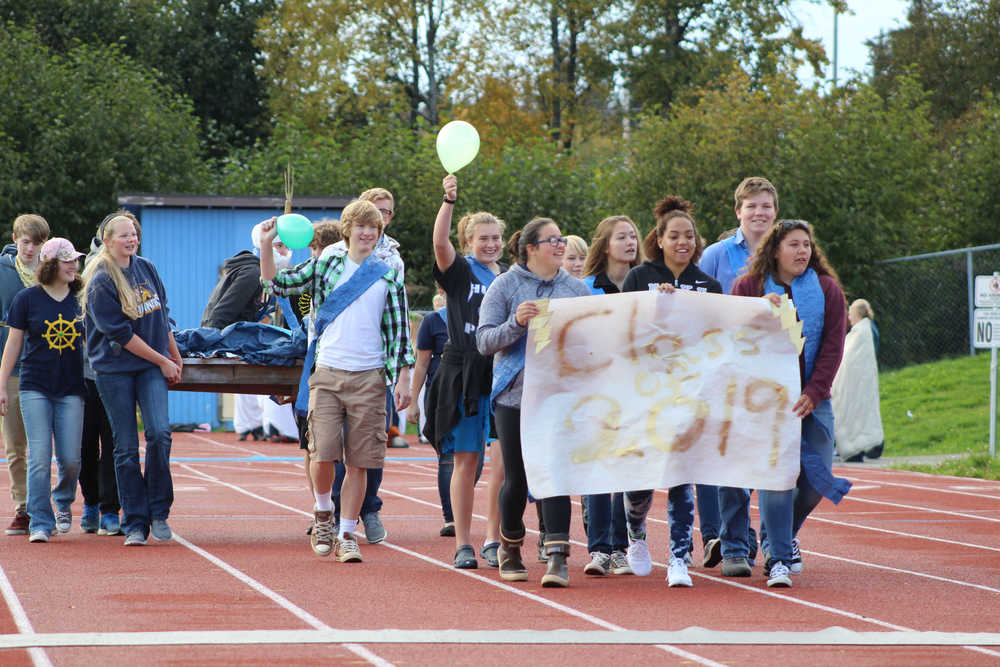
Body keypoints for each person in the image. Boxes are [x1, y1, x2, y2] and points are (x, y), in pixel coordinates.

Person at [259, 200, 413, 562]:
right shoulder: (328, 263)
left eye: (373, 227)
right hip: (327, 372)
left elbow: (400, 332)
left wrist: (403, 377)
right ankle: (324, 511)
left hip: (371, 377)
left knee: (360, 461)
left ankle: (347, 533)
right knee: (322, 451)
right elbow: (279, 284)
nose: (367, 233)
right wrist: (266, 246)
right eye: (361, 226)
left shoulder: (388, 275)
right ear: (348, 231)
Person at [732, 219, 850, 587]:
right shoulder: (749, 286)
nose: (802, 251)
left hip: (813, 400)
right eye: (794, 245)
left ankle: (776, 535)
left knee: (817, 480)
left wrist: (814, 392)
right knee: (777, 477)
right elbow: (732, 335)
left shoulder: (828, 290)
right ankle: (779, 558)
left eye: (807, 245)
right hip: (767, 403)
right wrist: (755, 310)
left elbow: (833, 346)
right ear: (775, 250)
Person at [477, 217, 591, 587]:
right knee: (517, 476)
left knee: (555, 471)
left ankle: (557, 555)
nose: (560, 246)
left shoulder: (576, 289)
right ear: (530, 248)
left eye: (562, 240)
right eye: (552, 240)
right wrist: (516, 323)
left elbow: (597, 337)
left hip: (559, 396)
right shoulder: (505, 286)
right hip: (514, 396)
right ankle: (510, 547)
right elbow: (484, 341)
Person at [619, 197, 723, 587]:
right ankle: (636, 531)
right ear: (659, 239)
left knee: (683, 476)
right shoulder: (638, 278)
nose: (683, 242)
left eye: (689, 236)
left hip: (689, 395)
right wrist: (656, 308)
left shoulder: (709, 286)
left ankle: (679, 556)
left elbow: (717, 337)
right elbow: (625, 332)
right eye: (674, 236)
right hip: (644, 394)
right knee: (641, 479)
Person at [81, 211, 182, 547]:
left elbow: (161, 314)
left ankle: (159, 512)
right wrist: (162, 360)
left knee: (160, 434)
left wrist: (175, 354)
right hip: (115, 370)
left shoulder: (146, 268)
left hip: (151, 366)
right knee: (124, 447)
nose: (131, 239)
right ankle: (135, 521)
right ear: (107, 241)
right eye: (123, 235)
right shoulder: (100, 280)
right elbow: (123, 337)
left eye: (134, 233)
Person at [424, 174, 506, 569]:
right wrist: (448, 200)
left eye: (495, 237)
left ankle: (495, 537)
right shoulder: (460, 272)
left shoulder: (510, 278)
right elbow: (439, 243)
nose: (490, 244)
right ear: (469, 242)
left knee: (504, 462)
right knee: (467, 460)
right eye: (483, 238)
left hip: (504, 371)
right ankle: (463, 542)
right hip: (464, 371)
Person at [698, 176, 779, 574]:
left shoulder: (789, 252)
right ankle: (734, 542)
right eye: (752, 206)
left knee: (769, 458)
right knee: (731, 457)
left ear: (775, 212)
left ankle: (773, 539)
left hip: (772, 371)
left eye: (766, 206)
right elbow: (697, 303)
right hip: (726, 368)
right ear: (738, 212)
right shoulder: (715, 255)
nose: (759, 213)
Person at [328, 188, 405, 544]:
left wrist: (401, 369)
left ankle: (369, 510)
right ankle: (330, 512)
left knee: (369, 448)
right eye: (374, 212)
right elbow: (306, 295)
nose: (380, 219)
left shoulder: (393, 259)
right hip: (334, 359)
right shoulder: (332, 255)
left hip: (374, 364)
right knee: (329, 447)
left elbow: (398, 317)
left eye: (386, 213)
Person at [0, 238, 86, 542]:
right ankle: (40, 520)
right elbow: (13, 344)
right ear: (50, 265)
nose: (74, 265)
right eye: (67, 260)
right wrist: (1, 385)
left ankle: (62, 500)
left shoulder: (82, 299)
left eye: (75, 260)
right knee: (39, 456)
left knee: (71, 459)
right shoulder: (26, 299)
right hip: (35, 386)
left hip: (71, 389)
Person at [578, 215, 642, 577]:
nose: (630, 242)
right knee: (599, 471)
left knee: (629, 470)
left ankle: (622, 545)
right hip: (597, 391)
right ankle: (600, 548)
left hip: (637, 391)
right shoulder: (585, 288)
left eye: (633, 235)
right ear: (604, 245)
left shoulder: (647, 283)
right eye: (622, 237)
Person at [202, 223, 293, 440]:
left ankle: (255, 424)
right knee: (277, 361)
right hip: (229, 338)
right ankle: (277, 426)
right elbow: (222, 311)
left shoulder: (265, 273)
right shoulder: (253, 273)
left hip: (239, 336)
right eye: (279, 246)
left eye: (286, 247)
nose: (284, 252)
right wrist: (209, 342)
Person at [1, 214, 50, 536]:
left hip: (48, 368)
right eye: (25, 242)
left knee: (45, 446)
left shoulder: (54, 273)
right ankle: (23, 507)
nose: (30, 249)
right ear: (15, 239)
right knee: (15, 444)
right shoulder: (2, 274)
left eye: (37, 243)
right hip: (13, 368)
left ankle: (44, 506)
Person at [79, 219, 123, 535]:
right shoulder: (83, 277)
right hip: (82, 375)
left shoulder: (132, 274)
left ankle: (110, 509)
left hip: (117, 374)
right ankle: (91, 503)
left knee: (114, 445)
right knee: (83, 447)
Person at [407, 287, 458, 535]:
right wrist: (413, 400)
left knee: (473, 460)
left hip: (473, 393)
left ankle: (460, 505)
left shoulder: (480, 318)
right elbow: (422, 363)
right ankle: (452, 517)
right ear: (442, 290)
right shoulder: (433, 321)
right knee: (447, 456)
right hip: (440, 397)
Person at [831, 299, 884, 462]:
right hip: (862, 379)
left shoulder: (862, 331)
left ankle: (861, 447)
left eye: (851, 313)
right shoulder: (865, 330)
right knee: (862, 412)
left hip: (859, 380)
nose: (848, 317)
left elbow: (852, 358)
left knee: (857, 412)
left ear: (858, 314)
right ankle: (864, 446)